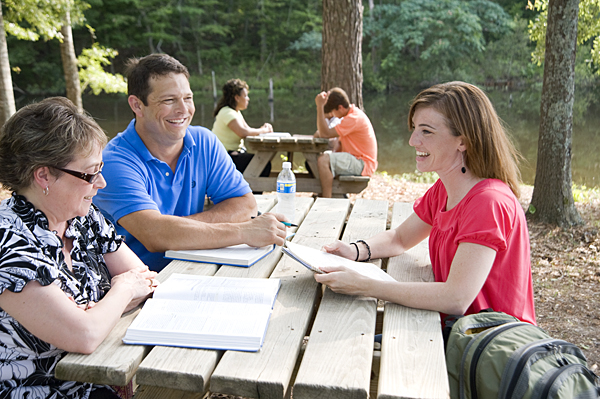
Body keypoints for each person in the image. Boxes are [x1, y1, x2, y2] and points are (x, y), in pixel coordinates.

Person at [315, 81, 536, 325]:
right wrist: (354, 251)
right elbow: (399, 238)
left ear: (462, 141)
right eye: (414, 129)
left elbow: (456, 297)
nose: (413, 141)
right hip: (451, 331)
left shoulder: (488, 202)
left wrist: (365, 286)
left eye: (426, 131)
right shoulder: (444, 190)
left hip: (487, 349)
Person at [0, 97, 157, 399]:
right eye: (89, 174)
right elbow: (85, 335)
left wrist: (95, 313)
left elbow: (144, 278)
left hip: (91, 381)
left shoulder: (82, 216)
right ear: (43, 174)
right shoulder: (9, 242)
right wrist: (121, 290)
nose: (101, 183)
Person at [93, 54, 287, 272]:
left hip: (196, 267)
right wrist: (243, 232)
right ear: (137, 105)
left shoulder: (204, 142)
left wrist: (178, 230)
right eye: (169, 100)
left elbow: (246, 205)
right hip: (138, 289)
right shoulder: (114, 162)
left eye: (187, 98)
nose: (184, 110)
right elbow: (155, 235)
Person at [314, 88, 378, 197]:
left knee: (323, 160)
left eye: (333, 112)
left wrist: (319, 106)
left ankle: (326, 200)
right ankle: (330, 196)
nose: (332, 115)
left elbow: (325, 134)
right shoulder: (351, 115)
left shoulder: (353, 118)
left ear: (340, 107)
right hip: (358, 160)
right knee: (323, 158)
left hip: (362, 163)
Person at [212, 78, 273, 176]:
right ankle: (252, 191)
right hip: (224, 157)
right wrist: (263, 130)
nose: (248, 98)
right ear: (237, 97)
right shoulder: (227, 112)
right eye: (245, 96)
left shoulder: (235, 112)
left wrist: (263, 130)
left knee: (262, 163)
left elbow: (248, 130)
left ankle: (250, 190)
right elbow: (243, 132)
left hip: (233, 154)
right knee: (263, 164)